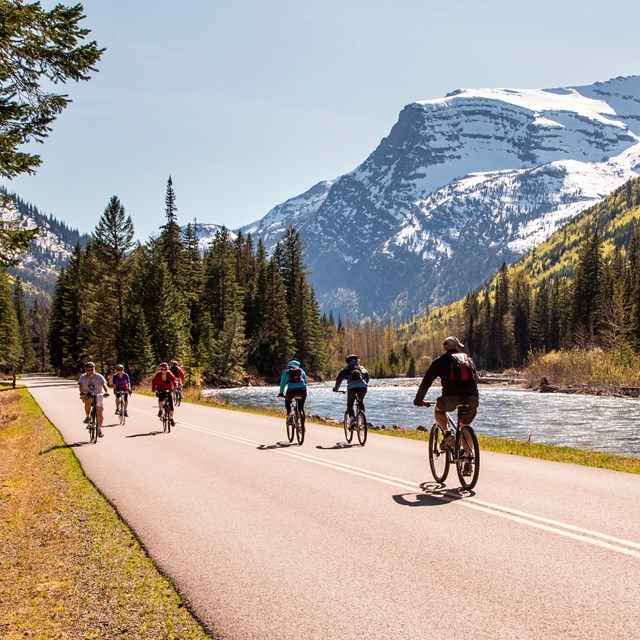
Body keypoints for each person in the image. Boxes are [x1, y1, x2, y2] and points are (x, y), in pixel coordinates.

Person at [412, 336, 479, 447]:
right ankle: (468, 458)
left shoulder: (440, 361)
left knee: (438, 410)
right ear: (457, 347)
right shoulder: (469, 360)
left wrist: (418, 400)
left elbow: (426, 383)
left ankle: (447, 434)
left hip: (450, 397)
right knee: (465, 425)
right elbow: (475, 379)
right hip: (472, 397)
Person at [333, 354, 370, 424]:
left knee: (350, 405)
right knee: (360, 402)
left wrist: (336, 388)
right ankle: (363, 420)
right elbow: (367, 377)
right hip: (363, 387)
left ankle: (352, 420)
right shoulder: (362, 368)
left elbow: (339, 380)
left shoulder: (346, 369)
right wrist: (365, 385)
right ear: (357, 360)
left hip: (352, 388)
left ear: (347, 362)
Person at [78, 361, 109, 437]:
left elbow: (104, 386)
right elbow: (80, 386)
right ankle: (87, 416)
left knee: (100, 412)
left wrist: (106, 392)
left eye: (92, 369)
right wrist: (82, 393)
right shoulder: (83, 377)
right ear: (85, 370)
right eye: (88, 370)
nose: (90, 371)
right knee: (88, 401)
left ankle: (99, 429)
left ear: (94, 369)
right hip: (87, 394)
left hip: (98, 395)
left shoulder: (99, 376)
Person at [277, 359, 308, 428]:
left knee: (288, 401)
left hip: (291, 390)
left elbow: (283, 383)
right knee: (301, 407)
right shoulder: (301, 371)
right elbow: (305, 381)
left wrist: (281, 393)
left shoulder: (287, 371)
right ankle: (303, 427)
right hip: (302, 390)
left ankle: (289, 415)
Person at [152, 362, 177, 426]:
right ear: (160, 369)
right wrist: (154, 388)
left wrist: (175, 386)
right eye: (162, 369)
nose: (164, 370)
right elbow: (154, 381)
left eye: (165, 369)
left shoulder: (169, 374)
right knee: (161, 398)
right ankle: (160, 410)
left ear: (167, 369)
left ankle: (171, 418)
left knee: (171, 404)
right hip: (160, 389)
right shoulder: (158, 374)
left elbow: (174, 380)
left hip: (168, 389)